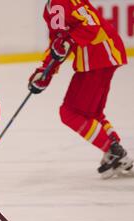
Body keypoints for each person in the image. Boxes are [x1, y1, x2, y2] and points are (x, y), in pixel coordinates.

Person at [28, 0, 133, 178]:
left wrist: (70, 41)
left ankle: (113, 150)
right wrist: (44, 73)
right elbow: (58, 44)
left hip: (98, 56)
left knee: (70, 112)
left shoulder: (59, 2)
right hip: (103, 55)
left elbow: (92, 25)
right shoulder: (52, 7)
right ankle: (115, 149)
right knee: (92, 113)